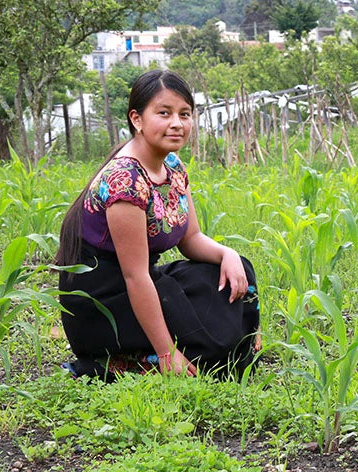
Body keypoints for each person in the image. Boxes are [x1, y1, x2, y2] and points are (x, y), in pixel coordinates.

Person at [56, 70, 260, 380]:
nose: (177, 123)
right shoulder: (124, 180)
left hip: (145, 280)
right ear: (137, 119)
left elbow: (190, 239)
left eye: (184, 114)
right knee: (211, 346)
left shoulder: (173, 166)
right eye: (164, 113)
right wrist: (166, 351)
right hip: (105, 304)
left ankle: (223, 345)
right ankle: (115, 361)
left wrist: (227, 254)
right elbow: (134, 276)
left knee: (237, 271)